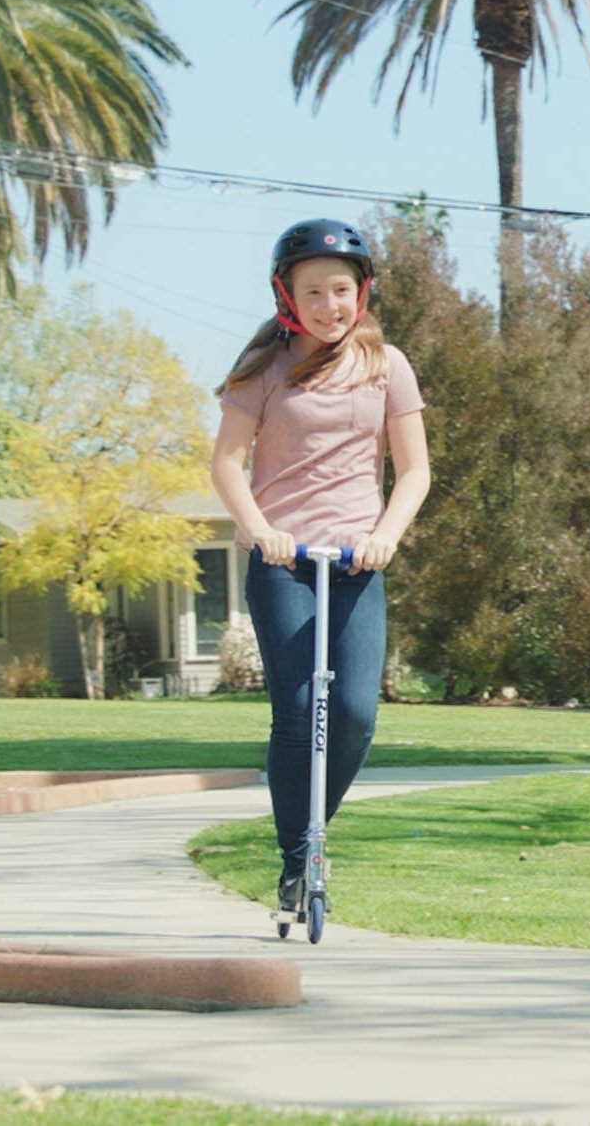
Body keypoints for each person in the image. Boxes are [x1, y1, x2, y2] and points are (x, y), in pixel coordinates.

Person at [210, 217, 431, 913]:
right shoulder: (263, 370)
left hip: (359, 560)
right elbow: (226, 464)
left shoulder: (387, 366)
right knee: (301, 710)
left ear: (360, 292)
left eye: (341, 289)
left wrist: (386, 535)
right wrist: (261, 533)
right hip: (284, 561)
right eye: (313, 292)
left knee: (356, 715)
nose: (329, 305)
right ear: (287, 295)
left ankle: (311, 835)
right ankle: (297, 862)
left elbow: (415, 470)